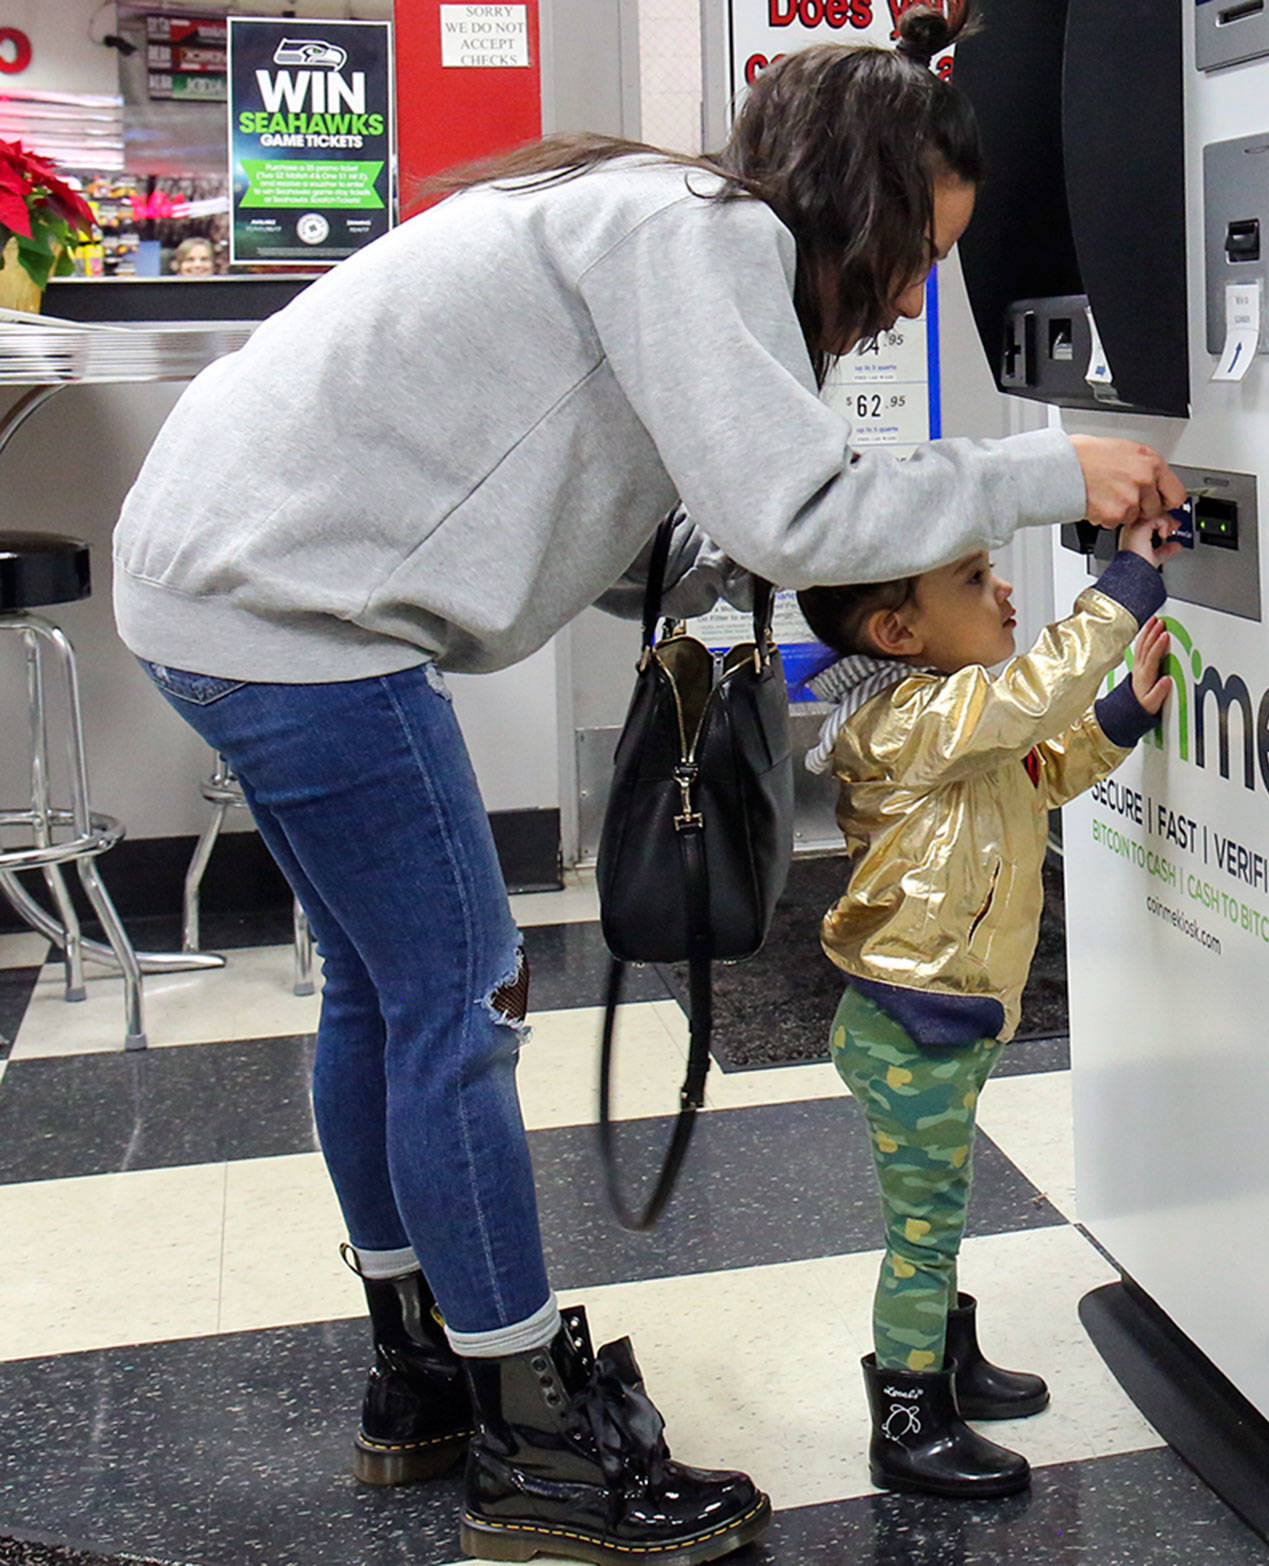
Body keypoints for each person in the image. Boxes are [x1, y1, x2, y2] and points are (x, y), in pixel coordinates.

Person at [109, 3, 1185, 1561]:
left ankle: (421, 1367)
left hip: (216, 581)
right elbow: (803, 505)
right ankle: (534, 1444)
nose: (900, 304)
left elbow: (698, 493)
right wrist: (1052, 470)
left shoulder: (651, 212)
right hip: (289, 613)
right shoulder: (706, 236)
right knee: (460, 1003)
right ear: (860, 204)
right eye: (911, 258)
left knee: (376, 989)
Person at [795, 517, 1178, 1498]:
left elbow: (1038, 772)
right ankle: (908, 1420)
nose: (1003, 593)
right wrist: (1126, 582)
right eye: (972, 580)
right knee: (919, 1232)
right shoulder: (909, 720)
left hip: (937, 1013)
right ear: (895, 635)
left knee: (939, 1210)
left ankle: (947, 1359)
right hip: (909, 1022)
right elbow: (1035, 691)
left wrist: (1121, 719)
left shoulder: (948, 722)